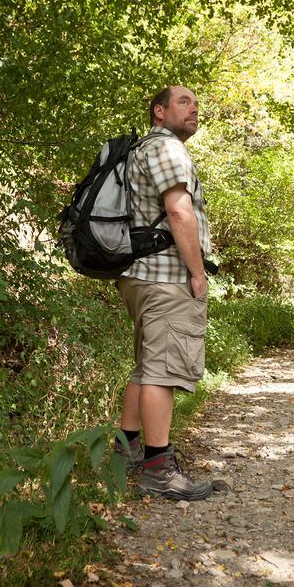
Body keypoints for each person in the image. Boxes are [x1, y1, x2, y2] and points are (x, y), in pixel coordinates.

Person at [113, 85, 213, 501]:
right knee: (162, 372)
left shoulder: (140, 150)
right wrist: (198, 273)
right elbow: (177, 210)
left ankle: (126, 453)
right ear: (159, 111)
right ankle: (158, 469)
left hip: (138, 274)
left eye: (196, 104)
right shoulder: (167, 148)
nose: (194, 109)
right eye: (184, 102)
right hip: (166, 275)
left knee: (146, 366)